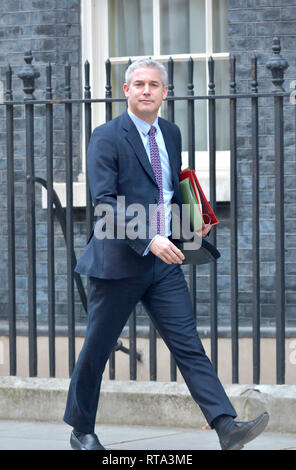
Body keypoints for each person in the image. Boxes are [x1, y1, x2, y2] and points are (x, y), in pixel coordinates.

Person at [63, 58, 269, 451]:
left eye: (153, 85)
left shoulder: (170, 134)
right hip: (118, 262)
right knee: (97, 348)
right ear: (125, 91)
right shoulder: (106, 136)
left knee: (187, 342)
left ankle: (226, 425)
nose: (145, 90)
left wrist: (192, 223)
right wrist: (148, 239)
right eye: (138, 83)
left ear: (164, 93)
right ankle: (81, 430)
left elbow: (167, 190)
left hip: (164, 261)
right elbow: (105, 204)